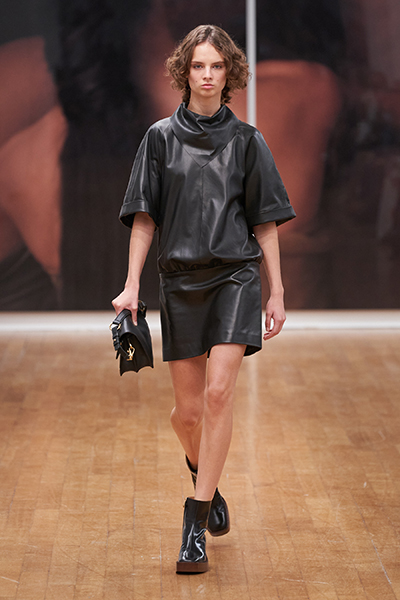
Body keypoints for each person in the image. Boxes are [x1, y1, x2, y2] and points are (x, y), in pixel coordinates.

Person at [112, 24, 295, 574]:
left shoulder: (248, 141)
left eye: (217, 66)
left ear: (229, 72)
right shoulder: (159, 139)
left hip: (235, 278)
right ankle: (206, 480)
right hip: (180, 282)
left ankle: (194, 524)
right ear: (184, 72)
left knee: (218, 395)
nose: (208, 75)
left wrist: (276, 290)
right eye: (198, 66)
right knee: (187, 413)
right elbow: (144, 218)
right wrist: (131, 286)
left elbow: (265, 221)